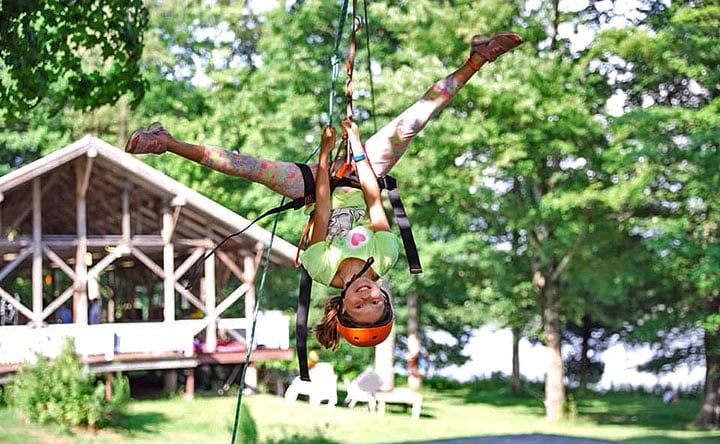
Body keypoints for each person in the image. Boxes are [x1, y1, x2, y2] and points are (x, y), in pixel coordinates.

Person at [125, 32, 523, 350]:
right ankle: (477, 59)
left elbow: (323, 208)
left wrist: (327, 155)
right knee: (410, 124)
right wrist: (358, 149)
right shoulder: (383, 257)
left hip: (318, 186)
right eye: (376, 303)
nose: (368, 296)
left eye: (360, 306)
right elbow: (372, 199)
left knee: (248, 168)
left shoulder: (321, 269)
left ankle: (166, 142)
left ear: (341, 308)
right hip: (362, 172)